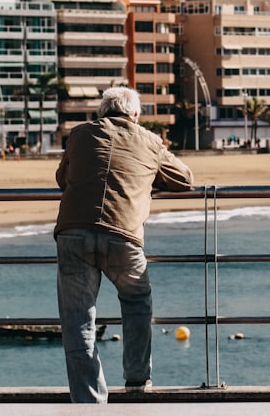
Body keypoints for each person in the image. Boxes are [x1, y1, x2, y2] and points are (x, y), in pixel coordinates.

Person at [54, 86, 194, 403]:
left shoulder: (77, 135)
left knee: (78, 321)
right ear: (135, 114)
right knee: (137, 303)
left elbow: (63, 179)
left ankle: (89, 402)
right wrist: (144, 177)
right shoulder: (150, 140)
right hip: (123, 235)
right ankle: (136, 380)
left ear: (102, 111)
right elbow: (185, 179)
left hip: (73, 233)